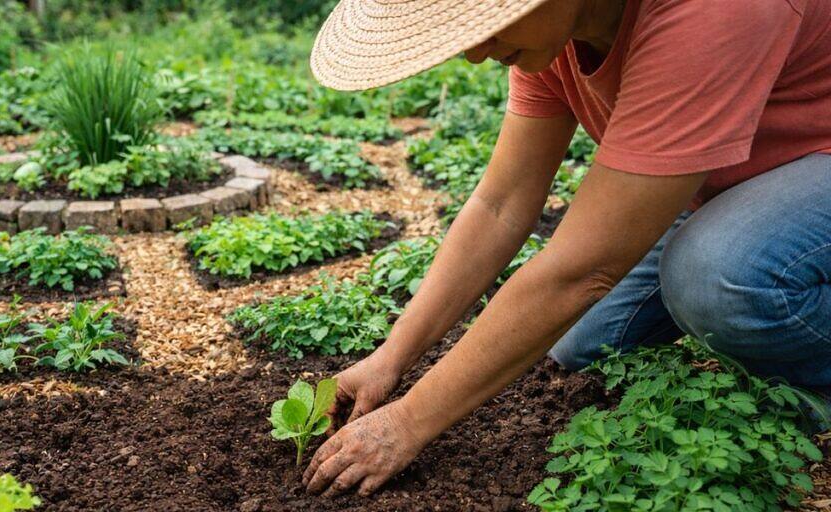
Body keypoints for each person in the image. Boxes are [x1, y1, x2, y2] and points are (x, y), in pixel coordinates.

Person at [302, 0, 831, 498]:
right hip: (741, 182)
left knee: (716, 274)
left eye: (487, 19)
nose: (475, 51)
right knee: (580, 345)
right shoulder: (556, 33)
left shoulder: (711, 13)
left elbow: (584, 272)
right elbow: (501, 204)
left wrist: (409, 421)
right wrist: (390, 359)